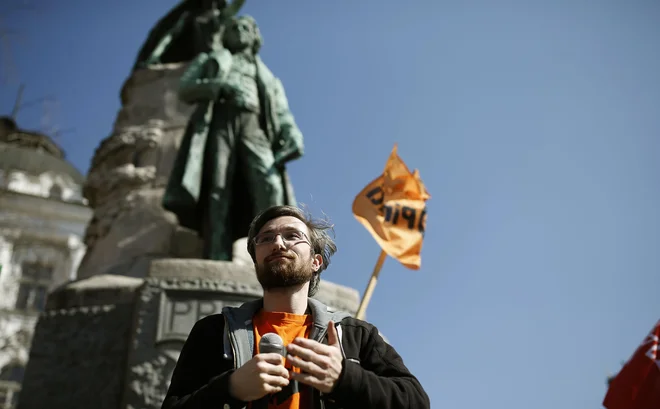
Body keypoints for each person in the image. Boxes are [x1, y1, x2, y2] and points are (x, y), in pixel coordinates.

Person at [161, 205, 430, 409]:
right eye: (266, 239)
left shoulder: (355, 334)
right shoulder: (212, 331)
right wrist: (230, 388)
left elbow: (416, 401)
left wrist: (344, 378)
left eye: (292, 236)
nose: (278, 243)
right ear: (256, 260)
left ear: (316, 261)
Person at [162, 15, 303, 261]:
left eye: (245, 28)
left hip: (254, 125)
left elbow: (281, 112)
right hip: (220, 121)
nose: (238, 31)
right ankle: (217, 251)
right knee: (218, 187)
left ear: (254, 35)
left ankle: (270, 251)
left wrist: (292, 134)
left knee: (269, 186)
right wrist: (219, 87)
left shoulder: (267, 76)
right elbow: (186, 88)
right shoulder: (213, 59)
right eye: (234, 28)